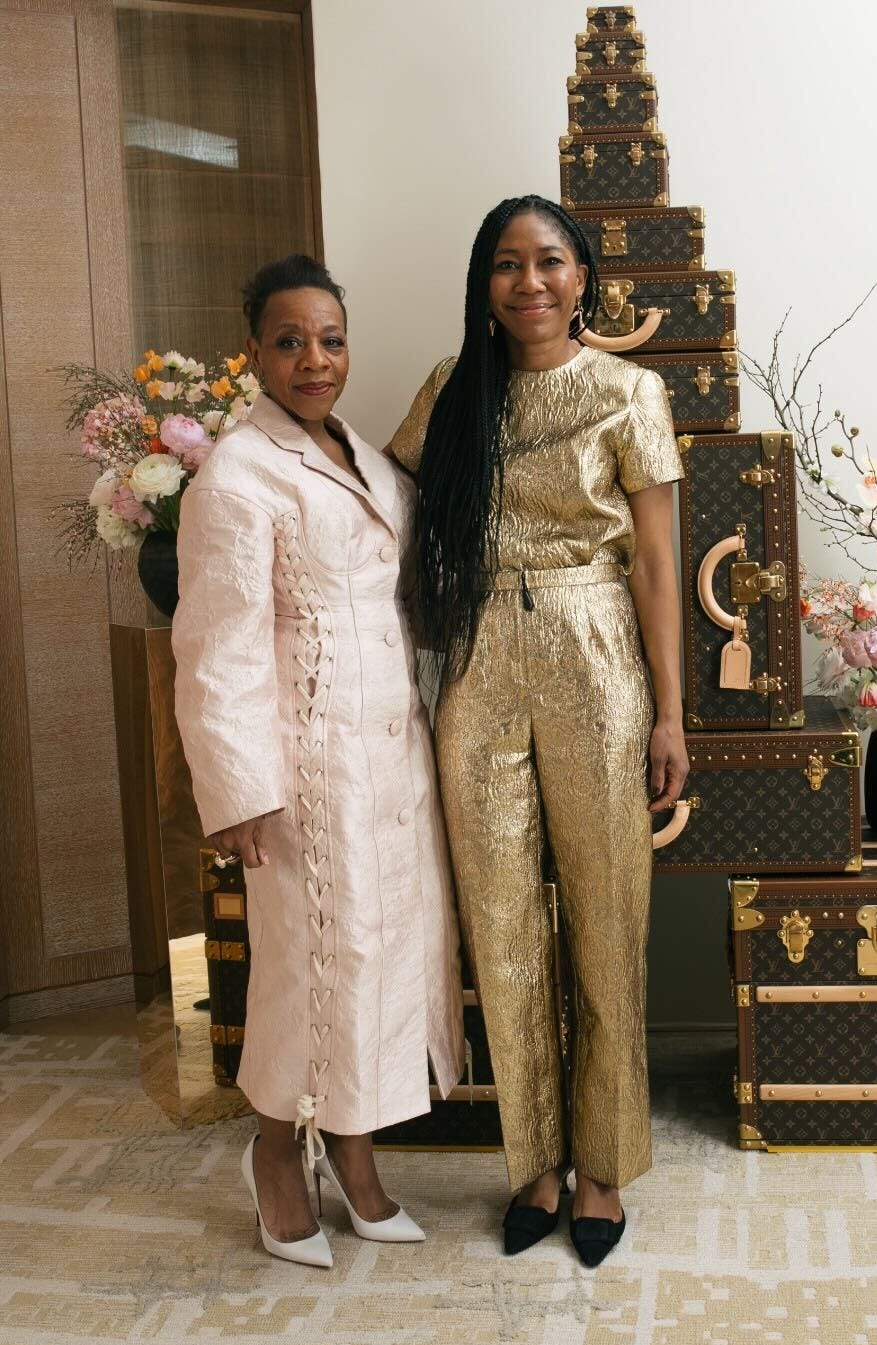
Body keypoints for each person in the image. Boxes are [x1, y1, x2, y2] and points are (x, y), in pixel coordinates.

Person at [387, 195, 688, 1269]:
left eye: (548, 262)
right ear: (484, 282)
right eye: (507, 265)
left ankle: (601, 1165)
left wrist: (669, 711)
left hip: (594, 647)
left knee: (604, 915)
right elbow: (385, 503)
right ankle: (535, 1162)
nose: (529, 284)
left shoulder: (627, 391)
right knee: (501, 923)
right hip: (475, 656)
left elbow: (656, 563)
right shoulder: (451, 391)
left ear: (582, 276)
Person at [172, 254, 464, 1268]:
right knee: (308, 966)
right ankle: (271, 1155)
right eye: (289, 339)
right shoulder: (236, 476)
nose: (313, 359)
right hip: (302, 767)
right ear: (253, 348)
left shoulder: (371, 464)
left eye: (330, 339)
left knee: (376, 964)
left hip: (392, 757)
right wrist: (239, 787)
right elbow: (217, 642)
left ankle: (356, 1156)